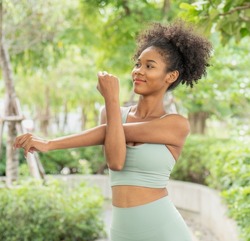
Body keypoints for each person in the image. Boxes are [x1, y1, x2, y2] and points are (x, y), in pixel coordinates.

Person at [14, 20, 212, 241]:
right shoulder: (111, 114)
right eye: (138, 64)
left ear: (171, 76)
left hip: (163, 228)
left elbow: (114, 151)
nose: (138, 71)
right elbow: (115, 158)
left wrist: (110, 98)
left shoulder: (176, 124)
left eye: (150, 66)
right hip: (122, 230)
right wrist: (110, 106)